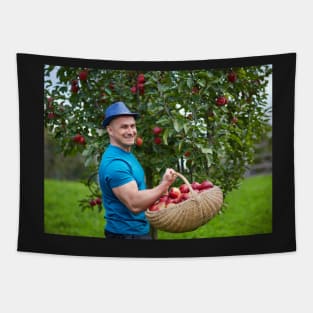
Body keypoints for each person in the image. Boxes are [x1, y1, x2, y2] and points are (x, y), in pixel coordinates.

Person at [98, 101, 177, 239]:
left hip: (136, 232)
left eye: (132, 126)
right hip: (126, 236)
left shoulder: (126, 154)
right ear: (110, 130)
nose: (130, 131)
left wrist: (163, 191)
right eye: (124, 127)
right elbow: (134, 204)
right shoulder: (115, 164)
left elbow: (139, 192)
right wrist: (164, 185)